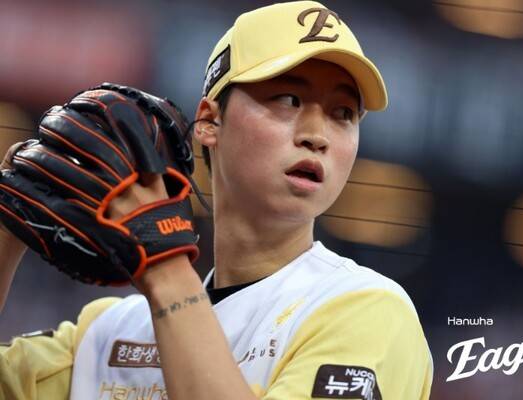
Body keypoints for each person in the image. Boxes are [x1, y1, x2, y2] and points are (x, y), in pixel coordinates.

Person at [0, 1, 433, 399]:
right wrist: (8, 221)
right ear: (209, 121)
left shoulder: (366, 310)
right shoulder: (107, 336)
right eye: (289, 99)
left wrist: (164, 266)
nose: (317, 135)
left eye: (343, 114)